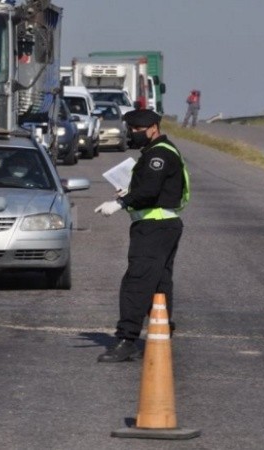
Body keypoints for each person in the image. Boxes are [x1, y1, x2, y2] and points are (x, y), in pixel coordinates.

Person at [93, 109, 190, 363]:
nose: (132, 135)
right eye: (131, 130)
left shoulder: (158, 154)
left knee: (136, 282)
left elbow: (149, 190)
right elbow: (151, 187)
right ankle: (162, 330)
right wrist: (129, 191)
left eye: (136, 130)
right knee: (158, 282)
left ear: (153, 128)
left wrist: (122, 202)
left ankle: (127, 340)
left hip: (154, 227)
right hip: (162, 224)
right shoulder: (157, 152)